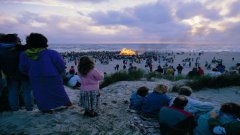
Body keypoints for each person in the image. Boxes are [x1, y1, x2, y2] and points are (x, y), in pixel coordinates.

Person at [19, 33, 71, 113]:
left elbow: (23, 68)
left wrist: (30, 73)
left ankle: (45, 109)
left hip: (35, 77)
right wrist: (61, 74)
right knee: (59, 92)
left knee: (40, 94)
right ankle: (66, 104)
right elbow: (61, 65)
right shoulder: (52, 53)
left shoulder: (24, 55)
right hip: (52, 76)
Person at [0, 34, 33, 111]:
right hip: (24, 74)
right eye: (19, 40)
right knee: (27, 92)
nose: (20, 41)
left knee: (12, 92)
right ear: (14, 41)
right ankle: (29, 108)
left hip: (10, 74)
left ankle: (14, 109)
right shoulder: (20, 49)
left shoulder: (1, 50)